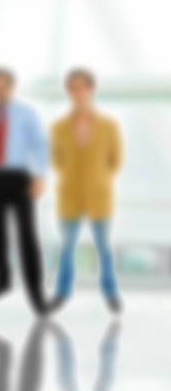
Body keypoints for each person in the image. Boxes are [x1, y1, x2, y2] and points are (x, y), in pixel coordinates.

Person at [0, 67, 49, 315]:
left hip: (20, 177)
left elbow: (39, 145)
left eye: (4, 85)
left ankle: (36, 292)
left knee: (26, 234)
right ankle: (2, 280)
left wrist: (40, 175)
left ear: (12, 87)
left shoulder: (27, 114)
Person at [49, 68, 125, 315]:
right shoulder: (58, 126)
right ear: (68, 92)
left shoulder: (108, 125)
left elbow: (116, 159)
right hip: (69, 194)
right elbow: (56, 160)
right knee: (67, 247)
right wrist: (74, 177)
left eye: (82, 86)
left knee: (103, 247)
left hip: (99, 194)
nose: (77, 92)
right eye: (72, 87)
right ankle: (61, 293)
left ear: (91, 89)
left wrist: (98, 179)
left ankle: (111, 293)